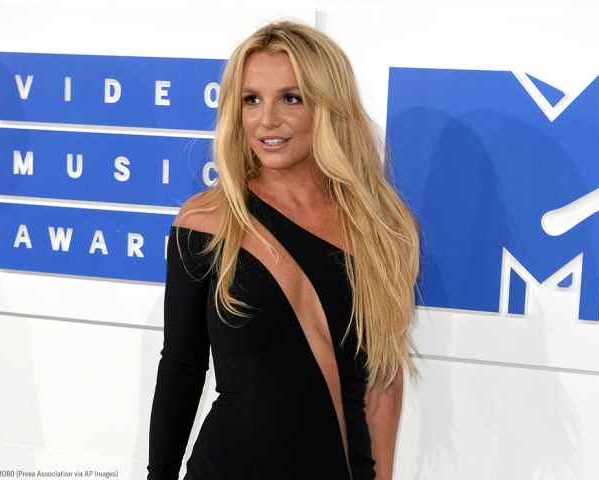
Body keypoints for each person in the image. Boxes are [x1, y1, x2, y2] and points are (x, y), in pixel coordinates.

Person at [147, 20, 420, 480]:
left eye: (291, 99)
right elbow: (182, 367)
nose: (266, 120)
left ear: (328, 106)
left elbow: (382, 384)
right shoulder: (206, 222)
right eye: (251, 100)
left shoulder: (384, 228)